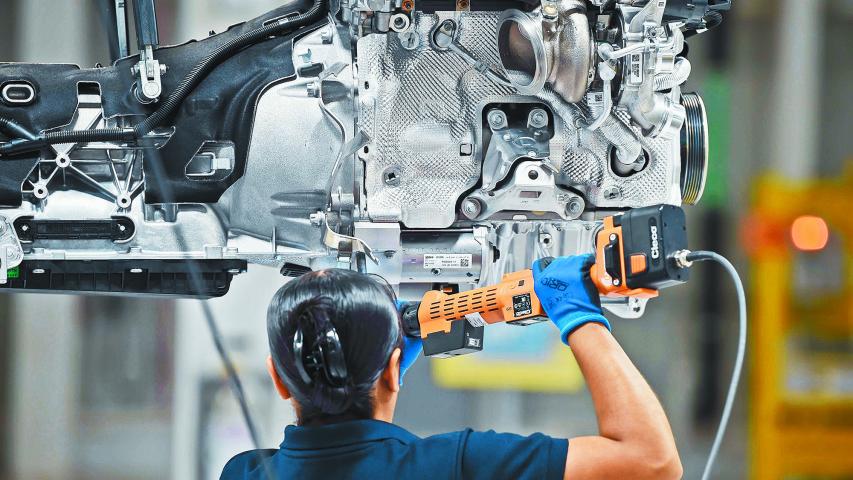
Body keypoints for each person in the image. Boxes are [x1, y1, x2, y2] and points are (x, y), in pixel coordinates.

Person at [220, 255, 683, 480]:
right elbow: (652, 460)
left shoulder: (242, 474)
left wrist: (382, 370)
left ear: (278, 378)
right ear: (392, 368)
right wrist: (580, 317)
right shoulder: (457, 465)